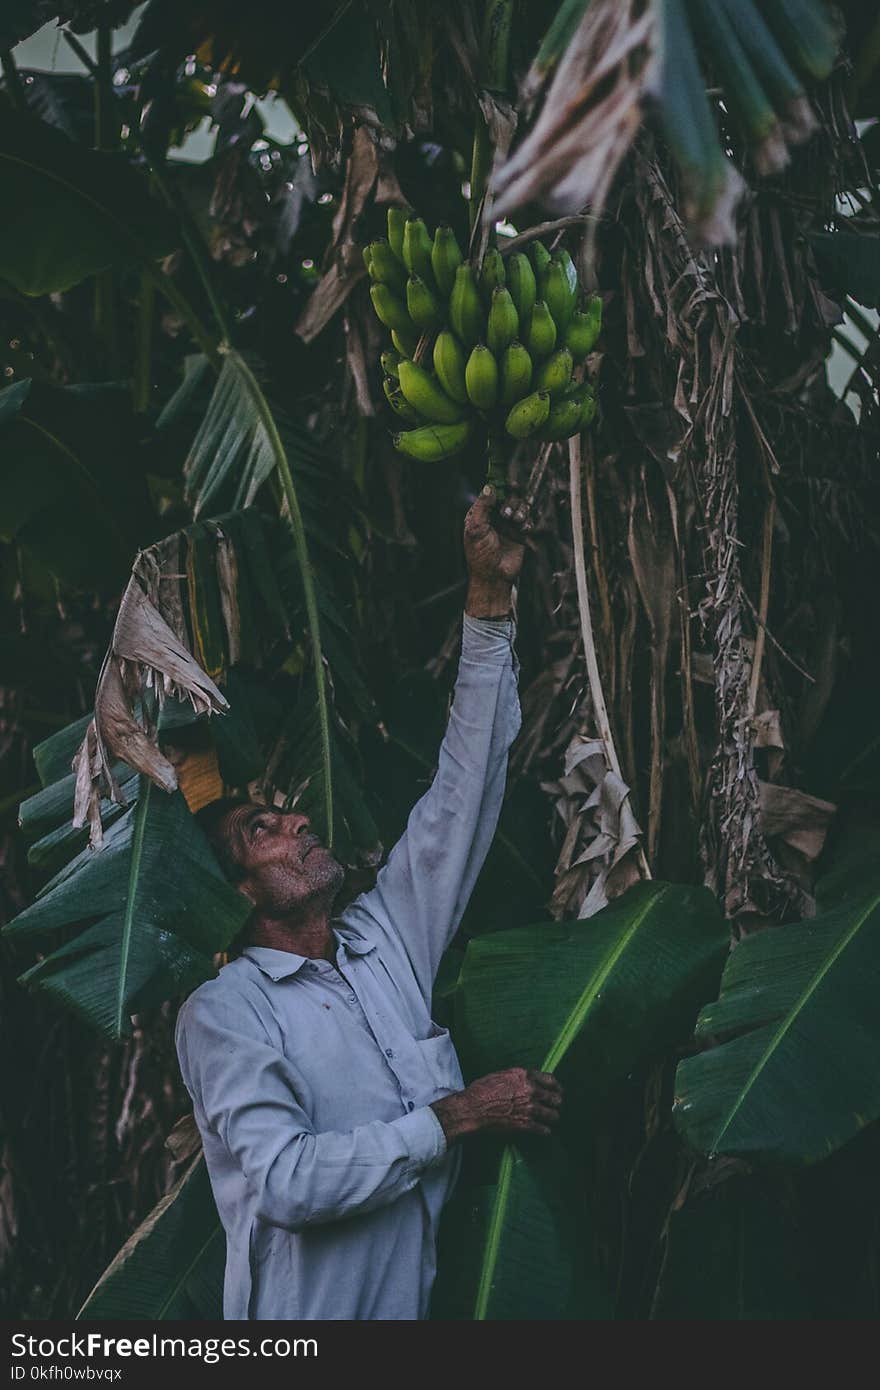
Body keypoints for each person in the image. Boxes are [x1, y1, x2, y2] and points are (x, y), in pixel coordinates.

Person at [174, 486, 564, 1321]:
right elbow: (285, 1180)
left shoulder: (383, 941)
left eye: (288, 812)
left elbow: (463, 794)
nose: (299, 820)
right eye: (264, 831)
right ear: (240, 894)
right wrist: (457, 1116)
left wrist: (489, 600)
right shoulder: (226, 1013)